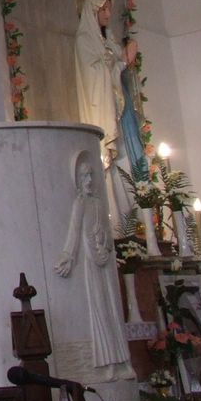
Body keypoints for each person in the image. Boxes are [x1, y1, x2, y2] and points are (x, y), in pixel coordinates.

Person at [54, 150, 134, 381]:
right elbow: (74, 233)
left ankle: (123, 362)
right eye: (84, 176)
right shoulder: (79, 204)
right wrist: (68, 257)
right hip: (90, 263)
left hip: (103, 259)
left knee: (113, 312)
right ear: (78, 181)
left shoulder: (98, 203)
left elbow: (106, 232)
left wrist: (104, 238)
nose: (89, 180)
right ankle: (107, 364)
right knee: (100, 313)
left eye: (91, 175)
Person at [73, 0, 141, 229]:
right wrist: (119, 62)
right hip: (100, 105)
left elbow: (114, 64)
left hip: (117, 103)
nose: (108, 15)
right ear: (92, 12)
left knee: (127, 157)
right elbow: (93, 74)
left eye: (110, 10)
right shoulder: (84, 41)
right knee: (109, 161)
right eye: (103, 10)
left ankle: (134, 216)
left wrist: (123, 58)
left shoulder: (107, 39)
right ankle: (118, 222)